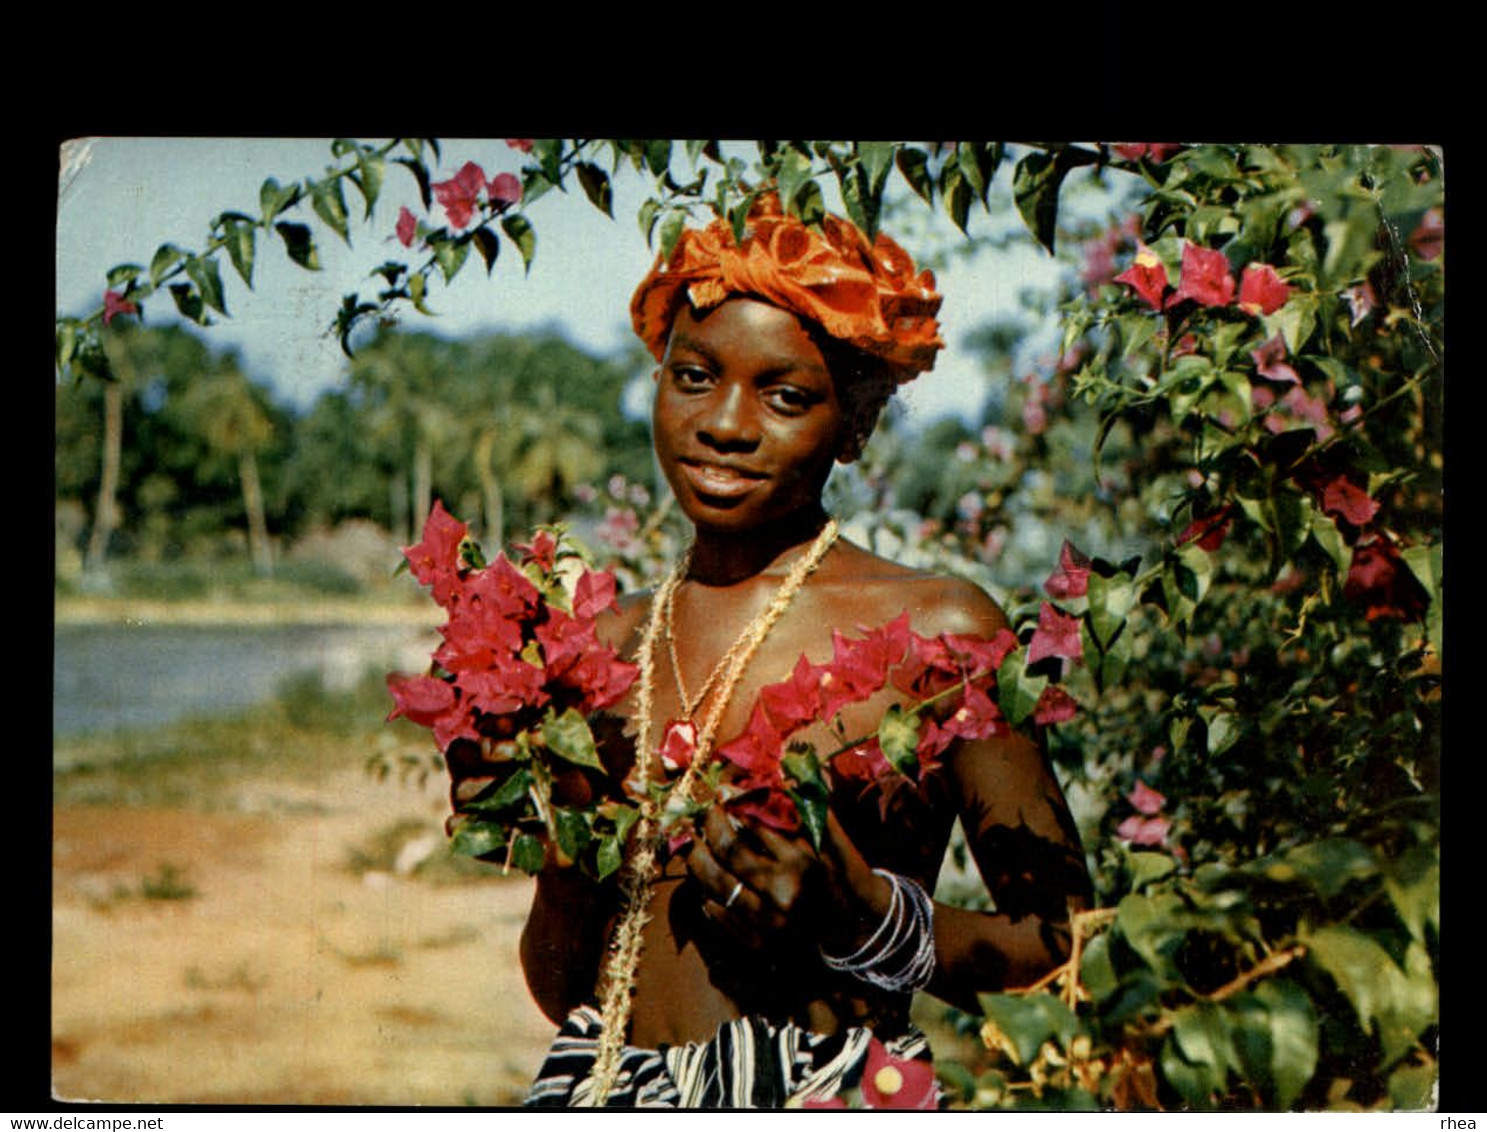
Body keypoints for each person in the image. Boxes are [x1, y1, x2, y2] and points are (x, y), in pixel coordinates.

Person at [447, 194, 1091, 1108]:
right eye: (693, 377)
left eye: (785, 396)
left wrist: (862, 918)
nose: (725, 424)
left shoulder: (938, 630)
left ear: (856, 426)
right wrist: (560, 844)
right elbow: (569, 991)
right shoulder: (598, 645)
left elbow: (1070, 942)